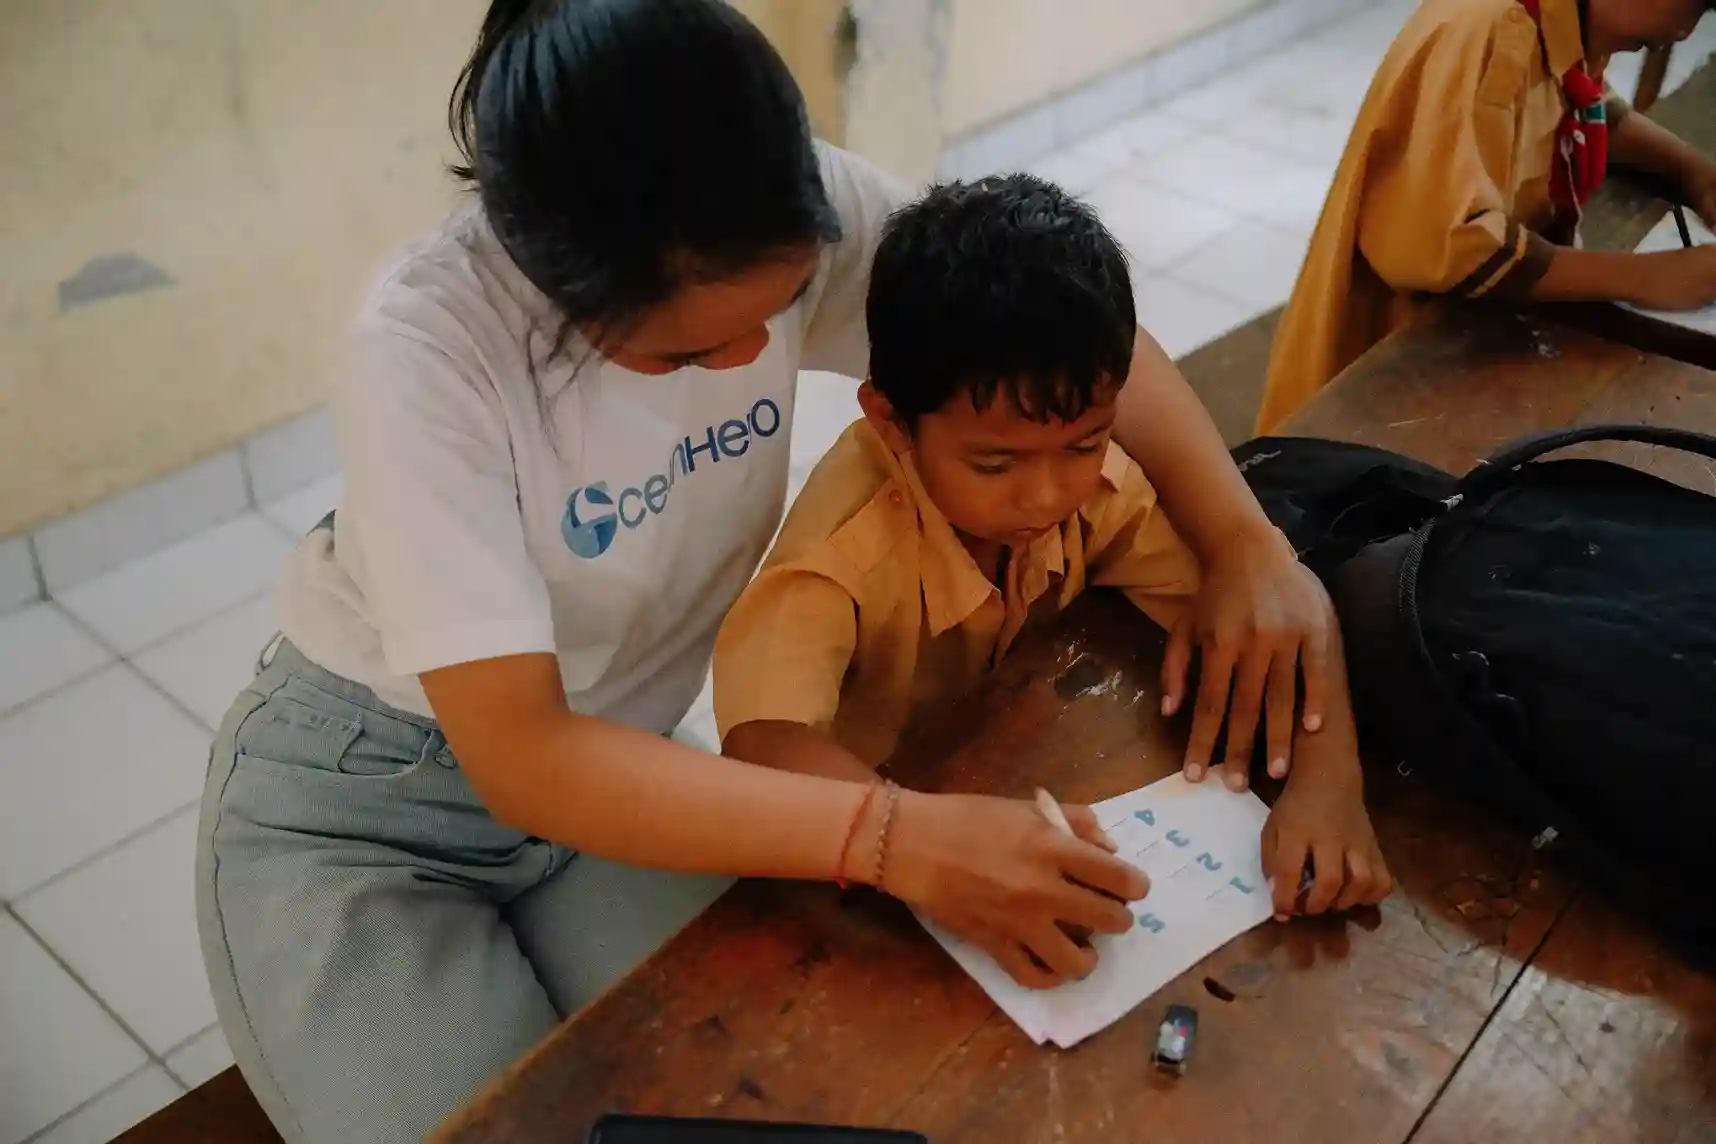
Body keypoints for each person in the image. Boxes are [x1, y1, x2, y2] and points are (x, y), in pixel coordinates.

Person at [194, 2, 1343, 1141]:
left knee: (806, 1069)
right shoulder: (425, 354)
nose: (752, 360)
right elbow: (527, 757)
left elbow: (1051, 333)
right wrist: (899, 834)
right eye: (687, 353)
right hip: (369, 808)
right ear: (557, 285)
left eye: (785, 310)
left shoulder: (779, 205)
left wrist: (1243, 539)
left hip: (616, 769)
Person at [713, 175, 1392, 988]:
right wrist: (915, 840)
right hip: (871, 864)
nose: (1047, 495)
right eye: (993, 464)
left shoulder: (1094, 484)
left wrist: (1328, 779)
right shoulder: (840, 558)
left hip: (1022, 764)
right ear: (890, 421)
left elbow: (1257, 612)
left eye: (1084, 444)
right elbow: (762, 743)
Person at [1258, 0, 1716, 433]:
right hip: (1386, 378)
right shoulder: (1492, 32)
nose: (1684, 31)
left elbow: (1579, 99)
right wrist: (1647, 277)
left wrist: (1695, 174)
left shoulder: (1559, 19)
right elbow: (1448, 245)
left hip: (1457, 343)